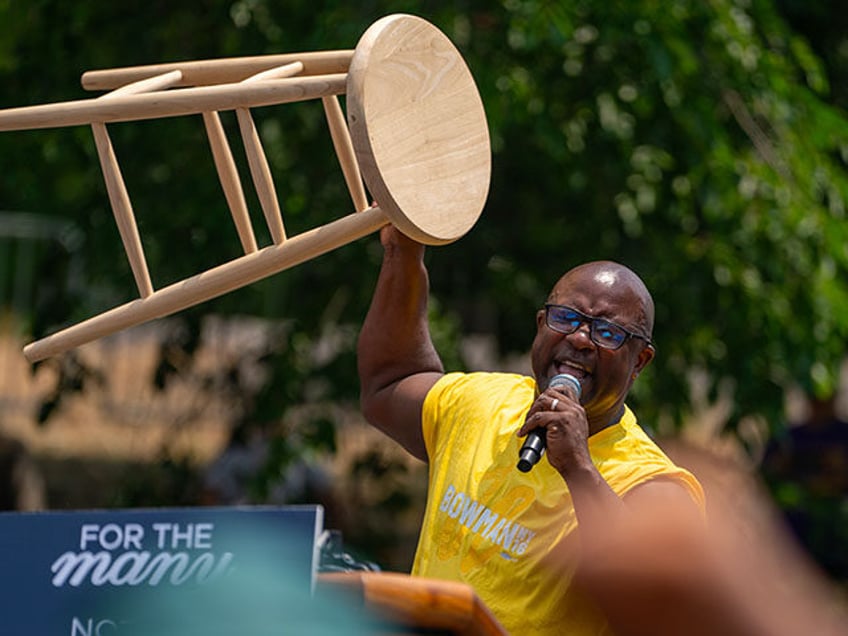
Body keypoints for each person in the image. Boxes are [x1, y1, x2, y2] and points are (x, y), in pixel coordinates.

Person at [356, 226, 704, 635]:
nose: (579, 338)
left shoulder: (654, 486)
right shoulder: (481, 402)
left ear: (640, 360)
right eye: (566, 318)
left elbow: (658, 614)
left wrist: (579, 468)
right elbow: (391, 380)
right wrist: (405, 252)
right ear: (541, 324)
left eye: (607, 332)